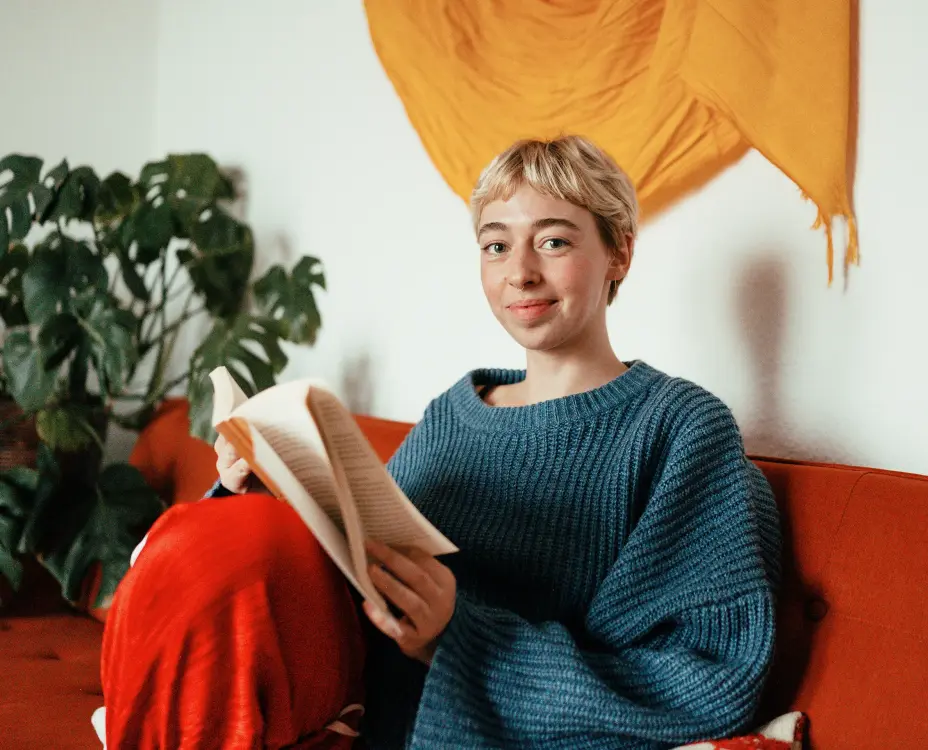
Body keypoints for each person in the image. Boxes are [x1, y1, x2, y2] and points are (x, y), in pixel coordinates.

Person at [102, 135, 781, 749]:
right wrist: (259, 486)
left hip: (457, 725)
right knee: (211, 540)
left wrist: (457, 633)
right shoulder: (455, 413)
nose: (520, 272)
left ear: (619, 251)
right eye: (496, 244)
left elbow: (709, 680)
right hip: (348, 691)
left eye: (553, 241)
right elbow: (356, 566)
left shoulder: (678, 429)